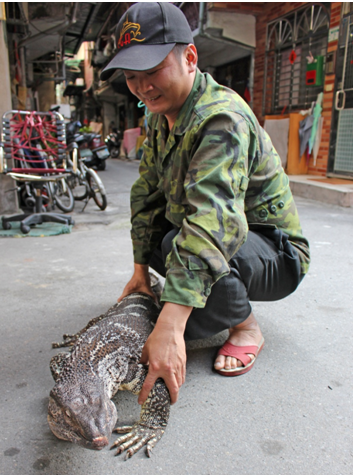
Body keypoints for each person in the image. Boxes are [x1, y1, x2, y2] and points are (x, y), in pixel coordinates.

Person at [101, 2, 310, 406]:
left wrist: (171, 324)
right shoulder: (159, 116)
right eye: (131, 77)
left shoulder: (222, 118)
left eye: (152, 71)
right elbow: (146, 194)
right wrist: (140, 274)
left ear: (190, 58)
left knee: (180, 286)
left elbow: (215, 224)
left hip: (275, 255)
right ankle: (209, 305)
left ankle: (246, 327)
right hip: (229, 241)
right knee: (165, 243)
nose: (142, 86)